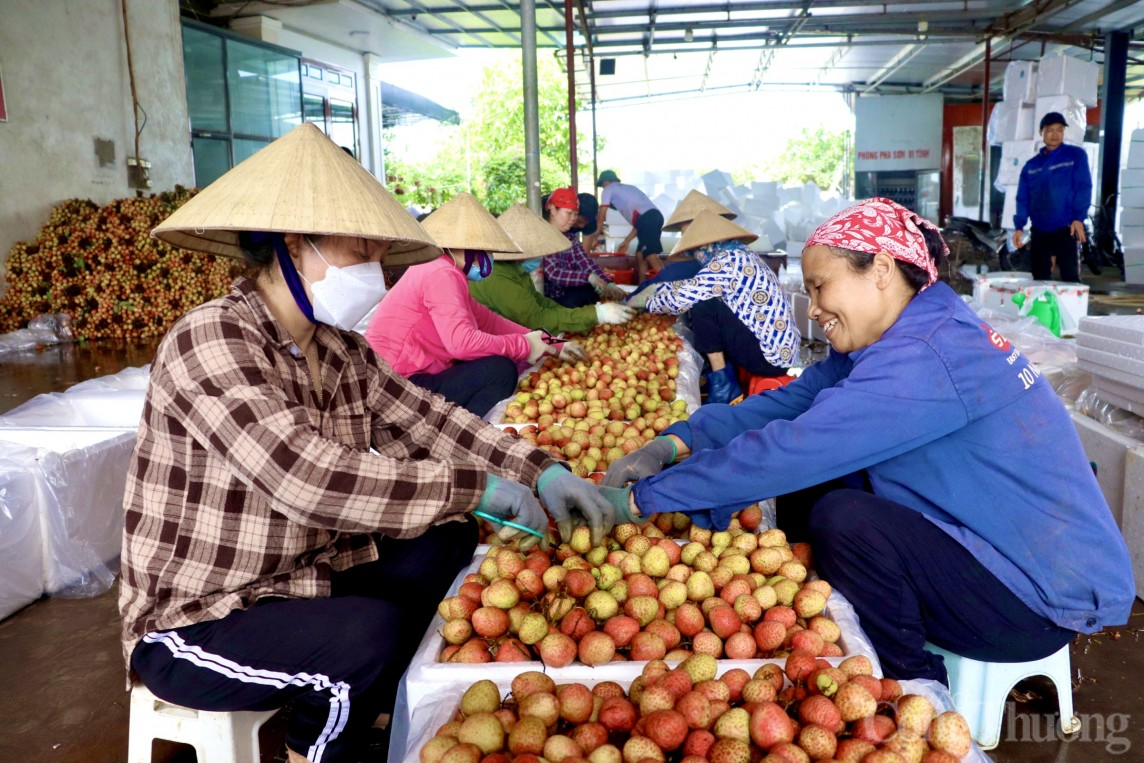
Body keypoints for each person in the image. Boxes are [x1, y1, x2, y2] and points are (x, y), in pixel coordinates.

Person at [124, 124, 615, 763]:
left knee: (446, 541)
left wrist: (542, 469)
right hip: (200, 614)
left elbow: (432, 420)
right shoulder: (211, 339)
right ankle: (314, 748)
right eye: (360, 249)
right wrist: (479, 486)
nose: (376, 271)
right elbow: (306, 478)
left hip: (302, 575)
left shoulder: (341, 350)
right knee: (367, 634)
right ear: (296, 244)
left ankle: (366, 700)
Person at [601, 197, 1134, 684]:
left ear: (880, 269)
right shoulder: (907, 330)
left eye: (820, 287)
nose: (811, 309)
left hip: (1033, 599)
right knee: (823, 489)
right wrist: (675, 442)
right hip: (992, 541)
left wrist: (642, 499)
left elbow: (794, 447)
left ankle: (910, 682)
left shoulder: (923, 357)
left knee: (844, 518)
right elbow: (789, 403)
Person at [365, 193, 563, 418]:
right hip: (398, 384)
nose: (487, 256)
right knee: (499, 371)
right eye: (482, 249)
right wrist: (524, 346)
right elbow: (461, 343)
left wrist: (555, 344)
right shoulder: (441, 273)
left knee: (495, 360)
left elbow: (490, 321)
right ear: (462, 247)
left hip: (401, 376)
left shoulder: (446, 271)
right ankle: (460, 435)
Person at [627, 210, 800, 405]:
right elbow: (694, 285)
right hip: (776, 351)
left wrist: (646, 302)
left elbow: (682, 299)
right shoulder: (737, 254)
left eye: (696, 250)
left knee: (704, 303)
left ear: (707, 245)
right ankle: (717, 374)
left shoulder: (726, 262)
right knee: (705, 298)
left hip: (767, 358)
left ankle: (722, 383)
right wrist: (657, 288)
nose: (697, 256)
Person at [468, 203, 635, 334]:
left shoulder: (517, 269)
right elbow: (536, 318)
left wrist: (581, 318)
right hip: (492, 342)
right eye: (569, 213)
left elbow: (539, 302)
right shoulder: (495, 275)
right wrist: (596, 314)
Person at [1012, 111, 1093, 282]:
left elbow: (1083, 187)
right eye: (1050, 130)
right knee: (1039, 277)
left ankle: (1071, 308)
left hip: (1066, 227)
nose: (1055, 134)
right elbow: (1023, 197)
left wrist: (1078, 217)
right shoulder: (1031, 166)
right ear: (1042, 132)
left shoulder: (1075, 156)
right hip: (1040, 229)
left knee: (1070, 278)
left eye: (1059, 130)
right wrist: (1019, 226)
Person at [542, 187, 629, 309]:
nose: (572, 218)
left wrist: (608, 283)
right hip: (550, 296)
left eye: (575, 214)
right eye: (569, 213)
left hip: (568, 291)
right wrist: (587, 277)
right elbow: (553, 273)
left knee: (594, 293)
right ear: (553, 210)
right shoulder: (542, 235)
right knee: (579, 297)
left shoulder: (570, 238)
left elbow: (586, 263)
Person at [596, 170, 665, 281]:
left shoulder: (608, 189)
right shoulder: (629, 189)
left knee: (650, 255)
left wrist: (595, 237)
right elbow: (640, 225)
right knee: (640, 254)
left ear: (605, 182)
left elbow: (601, 217)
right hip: (655, 216)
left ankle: (669, 286)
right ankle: (642, 287)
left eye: (602, 185)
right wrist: (627, 241)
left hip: (647, 219)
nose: (602, 188)